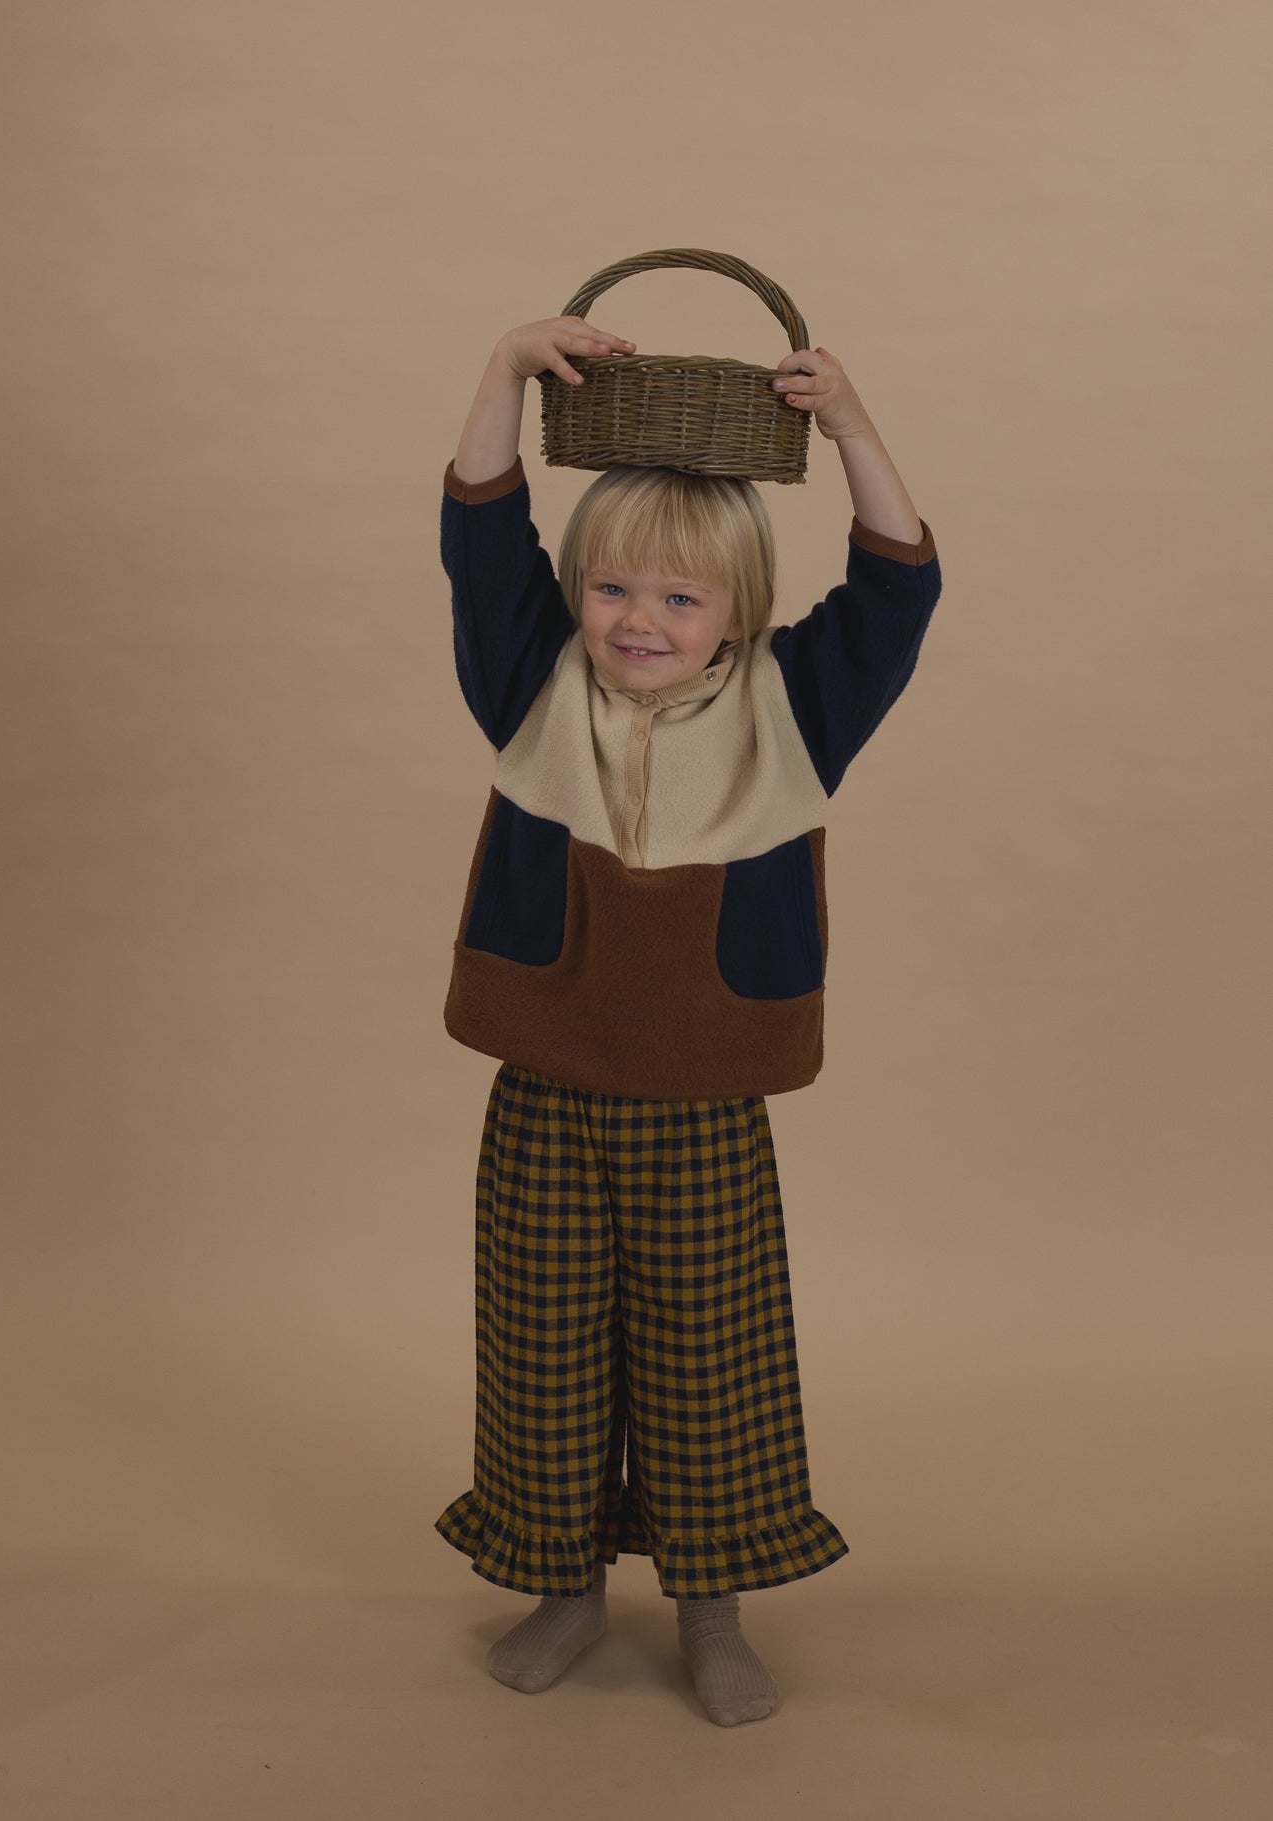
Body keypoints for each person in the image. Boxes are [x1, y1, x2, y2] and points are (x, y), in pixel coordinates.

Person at [433, 315, 942, 1725]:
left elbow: (900, 584)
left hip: (703, 1102)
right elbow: (478, 531)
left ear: (736, 616)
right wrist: (502, 372)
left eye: (677, 601)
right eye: (611, 591)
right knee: (539, 1347)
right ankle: (564, 1586)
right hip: (545, 1083)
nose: (636, 623)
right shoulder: (529, 680)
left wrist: (845, 423)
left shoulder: (798, 707)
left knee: (705, 1357)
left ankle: (709, 1608)